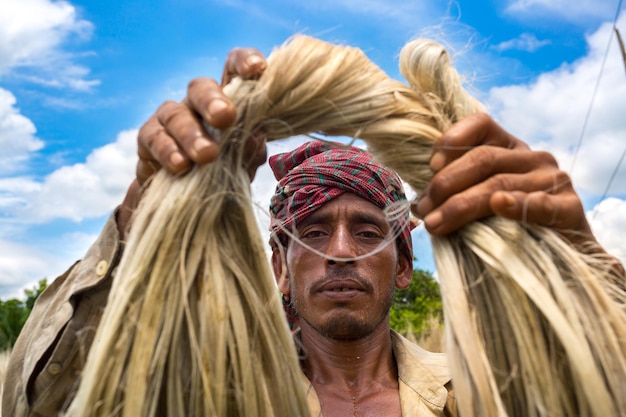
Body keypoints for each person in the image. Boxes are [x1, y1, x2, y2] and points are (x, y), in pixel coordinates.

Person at [2, 47, 617, 417]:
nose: (342, 254)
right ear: (278, 265)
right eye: (314, 232)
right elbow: (35, 406)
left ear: (403, 266)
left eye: (368, 230)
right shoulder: (213, 395)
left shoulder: (481, 394)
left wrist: (581, 267)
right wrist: (143, 220)